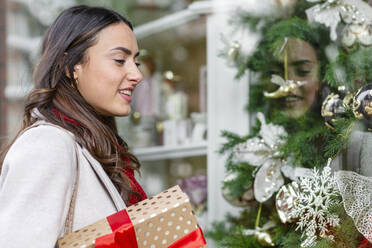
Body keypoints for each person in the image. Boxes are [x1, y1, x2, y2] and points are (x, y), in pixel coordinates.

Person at [0, 5, 146, 247]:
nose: (136, 74)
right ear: (71, 66)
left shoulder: (94, 146)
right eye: (120, 60)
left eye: (136, 62)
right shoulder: (47, 145)